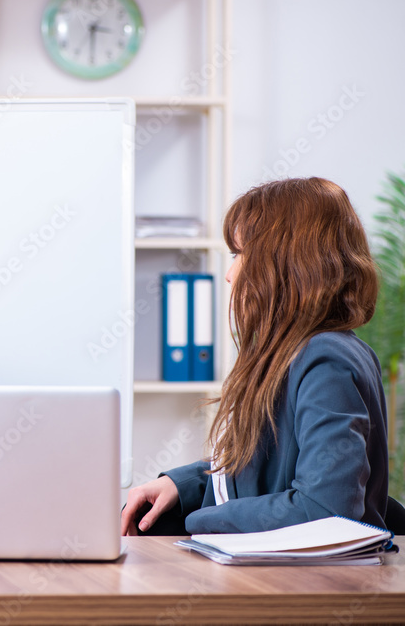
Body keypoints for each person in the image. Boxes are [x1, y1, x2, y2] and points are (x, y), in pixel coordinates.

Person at [122, 176, 388, 535]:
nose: (231, 275)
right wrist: (181, 485)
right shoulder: (295, 352)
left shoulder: (325, 359)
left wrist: (194, 522)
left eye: (240, 255)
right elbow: (258, 473)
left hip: (304, 584)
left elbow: (326, 509)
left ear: (289, 264)